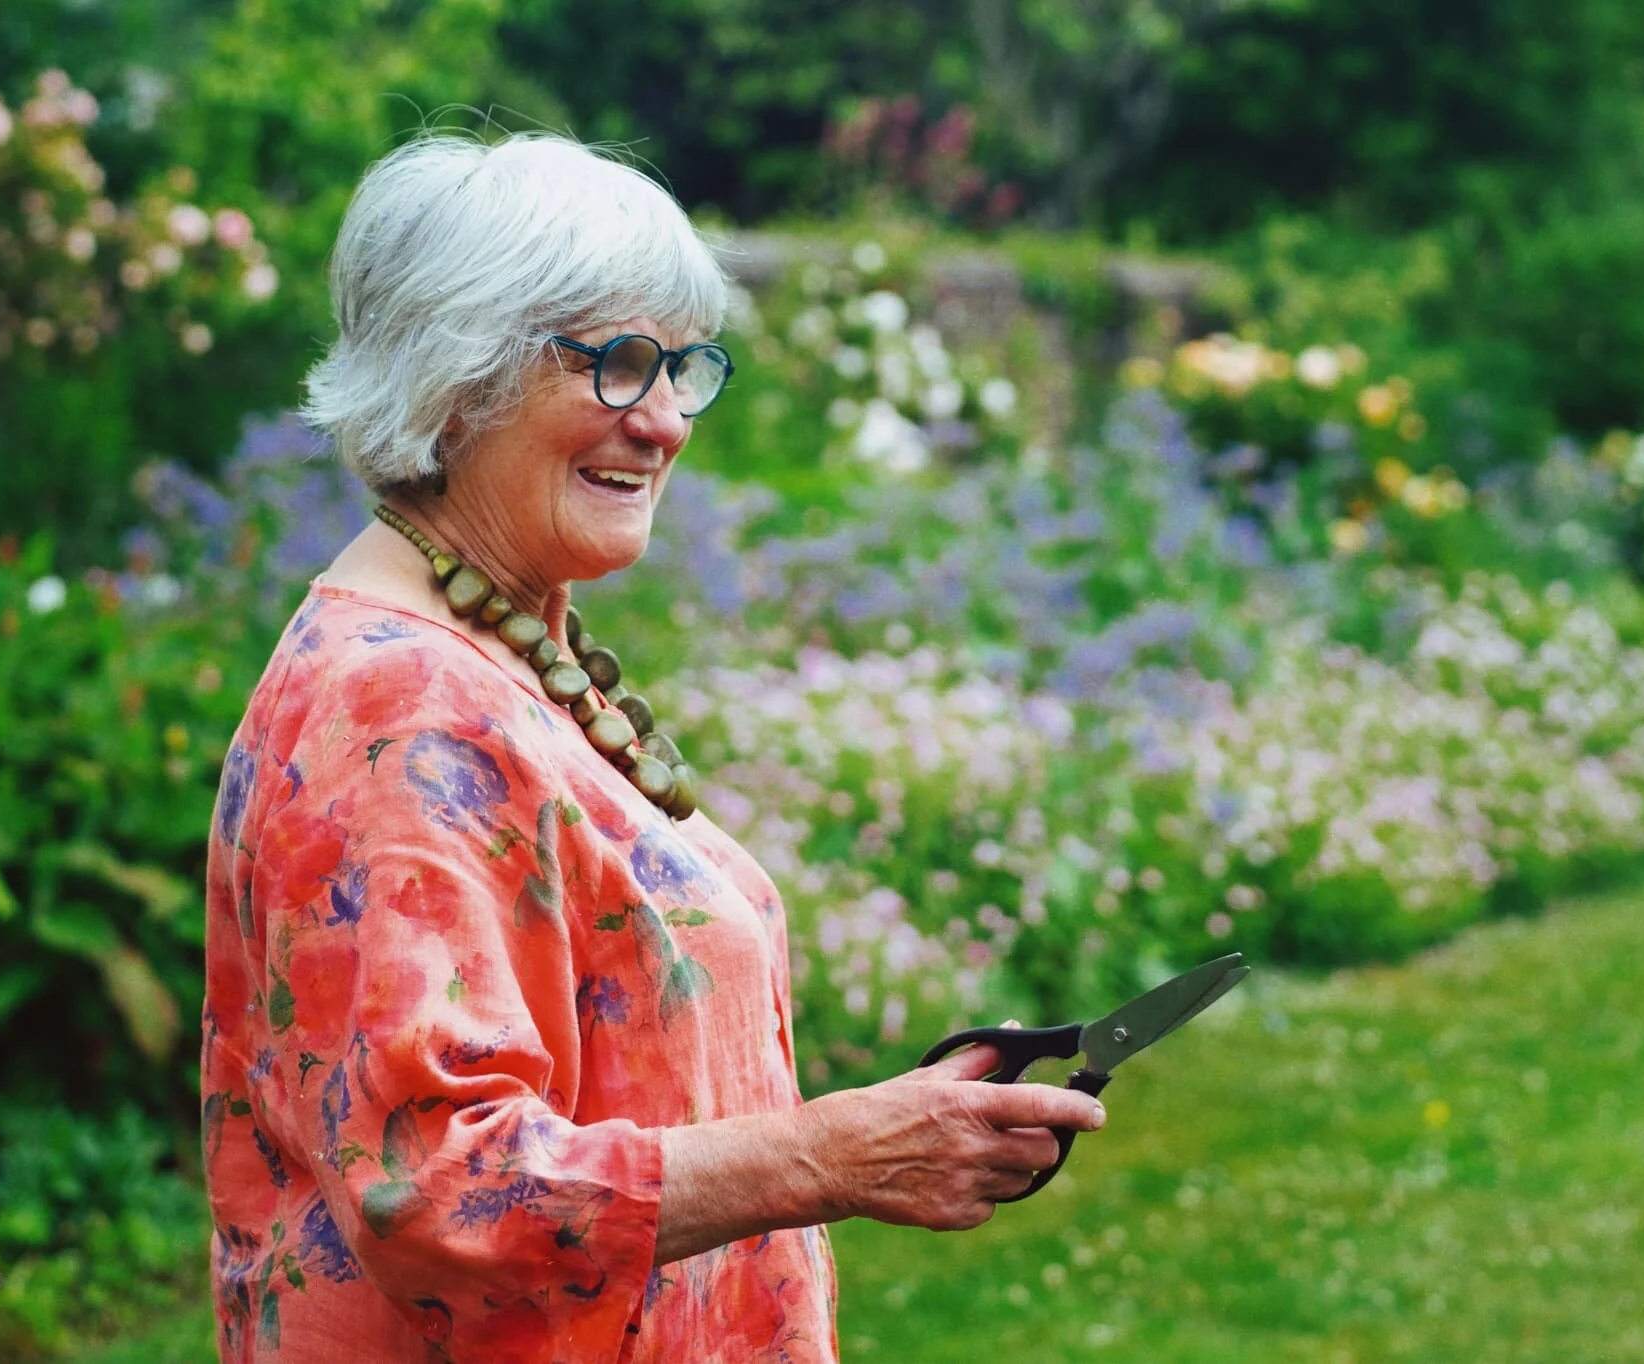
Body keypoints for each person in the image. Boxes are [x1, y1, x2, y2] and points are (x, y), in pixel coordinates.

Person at [199, 132, 1105, 1363]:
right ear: (456, 378)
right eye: (620, 367)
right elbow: (440, 1189)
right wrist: (831, 1151)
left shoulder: (502, 648)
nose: (667, 422)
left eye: (681, 367)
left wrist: (907, 1116)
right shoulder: (398, 709)